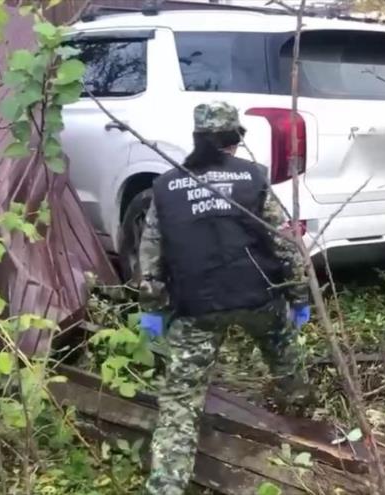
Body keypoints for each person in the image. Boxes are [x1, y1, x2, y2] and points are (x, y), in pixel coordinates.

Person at [139, 101, 313, 495]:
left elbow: (150, 253)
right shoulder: (253, 179)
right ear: (234, 140)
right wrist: (299, 296)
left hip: (196, 307)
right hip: (259, 299)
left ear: (197, 138)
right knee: (285, 360)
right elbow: (285, 243)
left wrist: (152, 307)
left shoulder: (166, 185)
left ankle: (165, 487)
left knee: (179, 404)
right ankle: (304, 418)